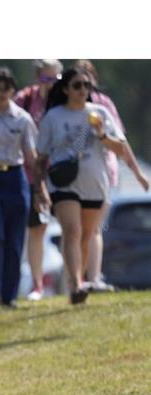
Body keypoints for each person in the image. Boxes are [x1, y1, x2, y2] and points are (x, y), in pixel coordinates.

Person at [36, 66, 133, 305]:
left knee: (87, 236)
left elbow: (120, 148)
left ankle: (78, 282)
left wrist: (101, 133)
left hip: (95, 184)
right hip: (64, 184)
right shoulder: (53, 117)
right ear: (66, 89)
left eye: (86, 85)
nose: (83, 90)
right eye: (77, 85)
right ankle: (76, 285)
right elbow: (40, 158)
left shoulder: (100, 113)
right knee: (73, 230)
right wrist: (40, 190)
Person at [75, 60, 150, 292]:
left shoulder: (103, 106)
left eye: (88, 79)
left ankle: (93, 278)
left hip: (102, 175)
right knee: (75, 230)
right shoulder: (65, 107)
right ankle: (77, 279)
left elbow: (121, 143)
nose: (84, 85)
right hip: (71, 180)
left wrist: (137, 173)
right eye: (78, 79)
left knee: (95, 228)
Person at [0, 68, 38, 308]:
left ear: (13, 91)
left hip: (15, 178)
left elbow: (31, 156)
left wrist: (41, 187)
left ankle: (9, 295)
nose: (2, 94)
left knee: (14, 240)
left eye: (7, 89)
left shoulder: (23, 118)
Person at [14, 59, 63, 301]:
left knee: (69, 228)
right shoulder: (25, 100)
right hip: (30, 175)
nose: (51, 84)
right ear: (37, 78)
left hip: (62, 175)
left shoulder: (67, 101)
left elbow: (81, 134)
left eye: (56, 79)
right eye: (46, 79)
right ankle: (36, 284)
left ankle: (77, 281)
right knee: (36, 228)